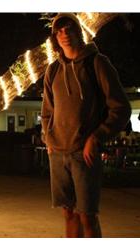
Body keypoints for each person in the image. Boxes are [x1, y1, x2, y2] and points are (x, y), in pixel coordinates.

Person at [41, 13, 131, 237]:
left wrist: (96, 137)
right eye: (59, 31)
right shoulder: (53, 70)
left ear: (78, 31)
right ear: (54, 37)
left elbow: (120, 108)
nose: (64, 34)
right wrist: (48, 139)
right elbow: (46, 113)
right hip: (58, 154)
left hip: (84, 154)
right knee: (69, 214)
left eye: (68, 28)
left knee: (88, 216)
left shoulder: (97, 63)